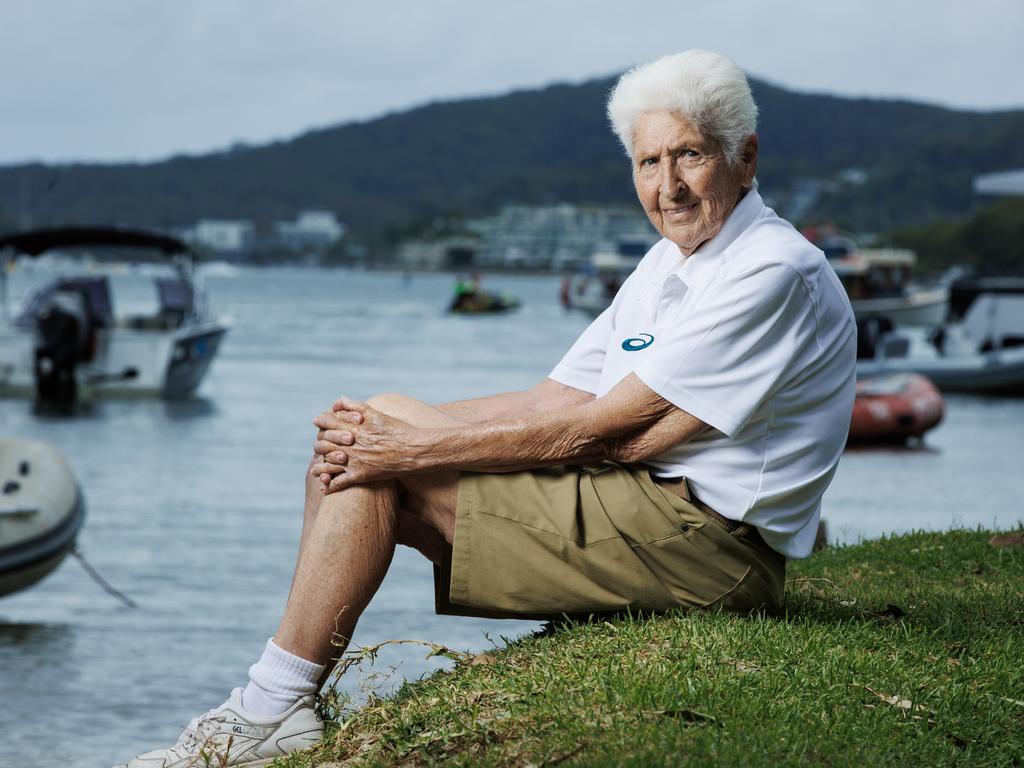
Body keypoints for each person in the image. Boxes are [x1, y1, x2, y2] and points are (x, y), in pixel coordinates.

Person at [118, 49, 856, 767]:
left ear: (745, 158)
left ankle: (269, 709)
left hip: (712, 553)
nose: (669, 185)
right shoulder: (669, 262)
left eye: (689, 155)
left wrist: (405, 455)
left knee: (379, 465)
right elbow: (555, 400)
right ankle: (270, 705)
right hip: (644, 506)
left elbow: (604, 431)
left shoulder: (770, 268)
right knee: (373, 422)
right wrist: (382, 430)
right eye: (647, 162)